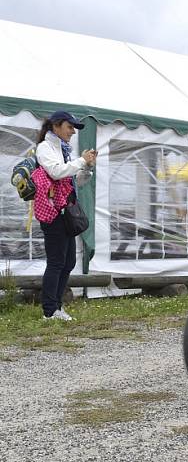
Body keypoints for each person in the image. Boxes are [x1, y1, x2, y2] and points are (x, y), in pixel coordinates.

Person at [35, 111, 97, 321]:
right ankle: (49, 311)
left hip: (65, 213)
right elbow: (56, 172)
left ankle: (57, 307)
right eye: (70, 127)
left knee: (68, 262)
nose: (72, 132)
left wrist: (87, 168)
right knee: (56, 262)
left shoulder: (63, 149)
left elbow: (73, 181)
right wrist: (81, 160)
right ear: (56, 126)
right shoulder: (45, 147)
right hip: (53, 214)